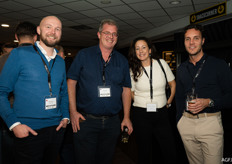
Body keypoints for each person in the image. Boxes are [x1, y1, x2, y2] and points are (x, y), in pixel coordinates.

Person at [0, 16, 69, 164]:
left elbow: (63, 92)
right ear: (38, 30)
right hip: (28, 131)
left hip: (56, 130)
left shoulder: (61, 61)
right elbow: (1, 92)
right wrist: (14, 124)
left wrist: (65, 117)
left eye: (57, 29)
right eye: (48, 27)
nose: (53, 32)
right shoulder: (19, 55)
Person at [67, 18, 133, 164]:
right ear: (99, 34)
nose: (111, 36)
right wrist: (72, 111)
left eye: (114, 34)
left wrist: (126, 117)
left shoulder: (122, 61)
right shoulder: (84, 55)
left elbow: (126, 89)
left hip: (112, 123)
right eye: (107, 33)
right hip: (85, 121)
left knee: (106, 159)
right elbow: (71, 82)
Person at [176, 24, 232, 164]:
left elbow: (230, 96)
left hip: (210, 123)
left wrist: (209, 102)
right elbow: (178, 97)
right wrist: (180, 121)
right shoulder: (182, 68)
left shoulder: (218, 65)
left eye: (196, 38)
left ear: (203, 41)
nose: (191, 43)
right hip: (186, 123)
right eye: (187, 39)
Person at [128, 36, 177, 164]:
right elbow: (131, 92)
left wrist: (169, 101)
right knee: (144, 152)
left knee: (169, 149)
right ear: (135, 52)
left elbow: (173, 84)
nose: (141, 51)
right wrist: (140, 102)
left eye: (144, 47)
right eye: (137, 48)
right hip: (141, 115)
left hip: (161, 113)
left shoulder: (161, 63)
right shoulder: (133, 69)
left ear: (150, 50)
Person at [0, 21, 37, 164]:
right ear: (35, 37)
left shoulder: (3, 59)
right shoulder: (39, 58)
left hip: (6, 114)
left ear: (16, 36)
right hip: (30, 113)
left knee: (8, 154)